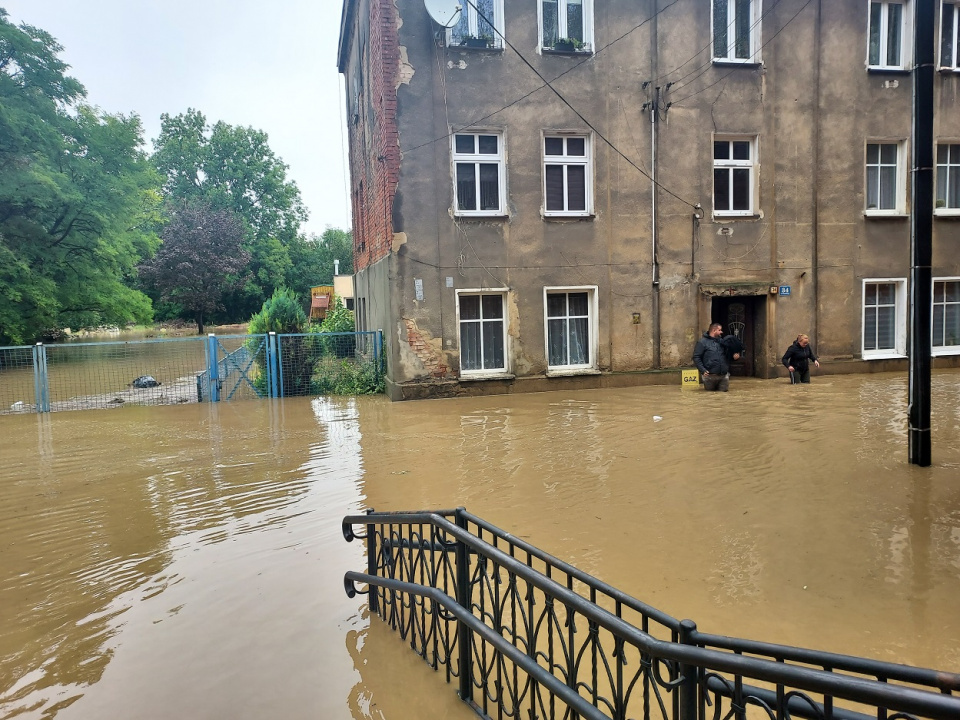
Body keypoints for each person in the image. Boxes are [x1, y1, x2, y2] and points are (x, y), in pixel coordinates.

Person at [693, 323, 741, 392]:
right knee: (709, 397)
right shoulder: (702, 342)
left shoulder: (722, 342)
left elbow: (727, 355)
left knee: (724, 396)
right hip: (709, 376)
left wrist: (734, 357)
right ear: (714, 330)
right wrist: (702, 370)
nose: (721, 332)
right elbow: (696, 357)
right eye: (720, 330)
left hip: (723, 376)